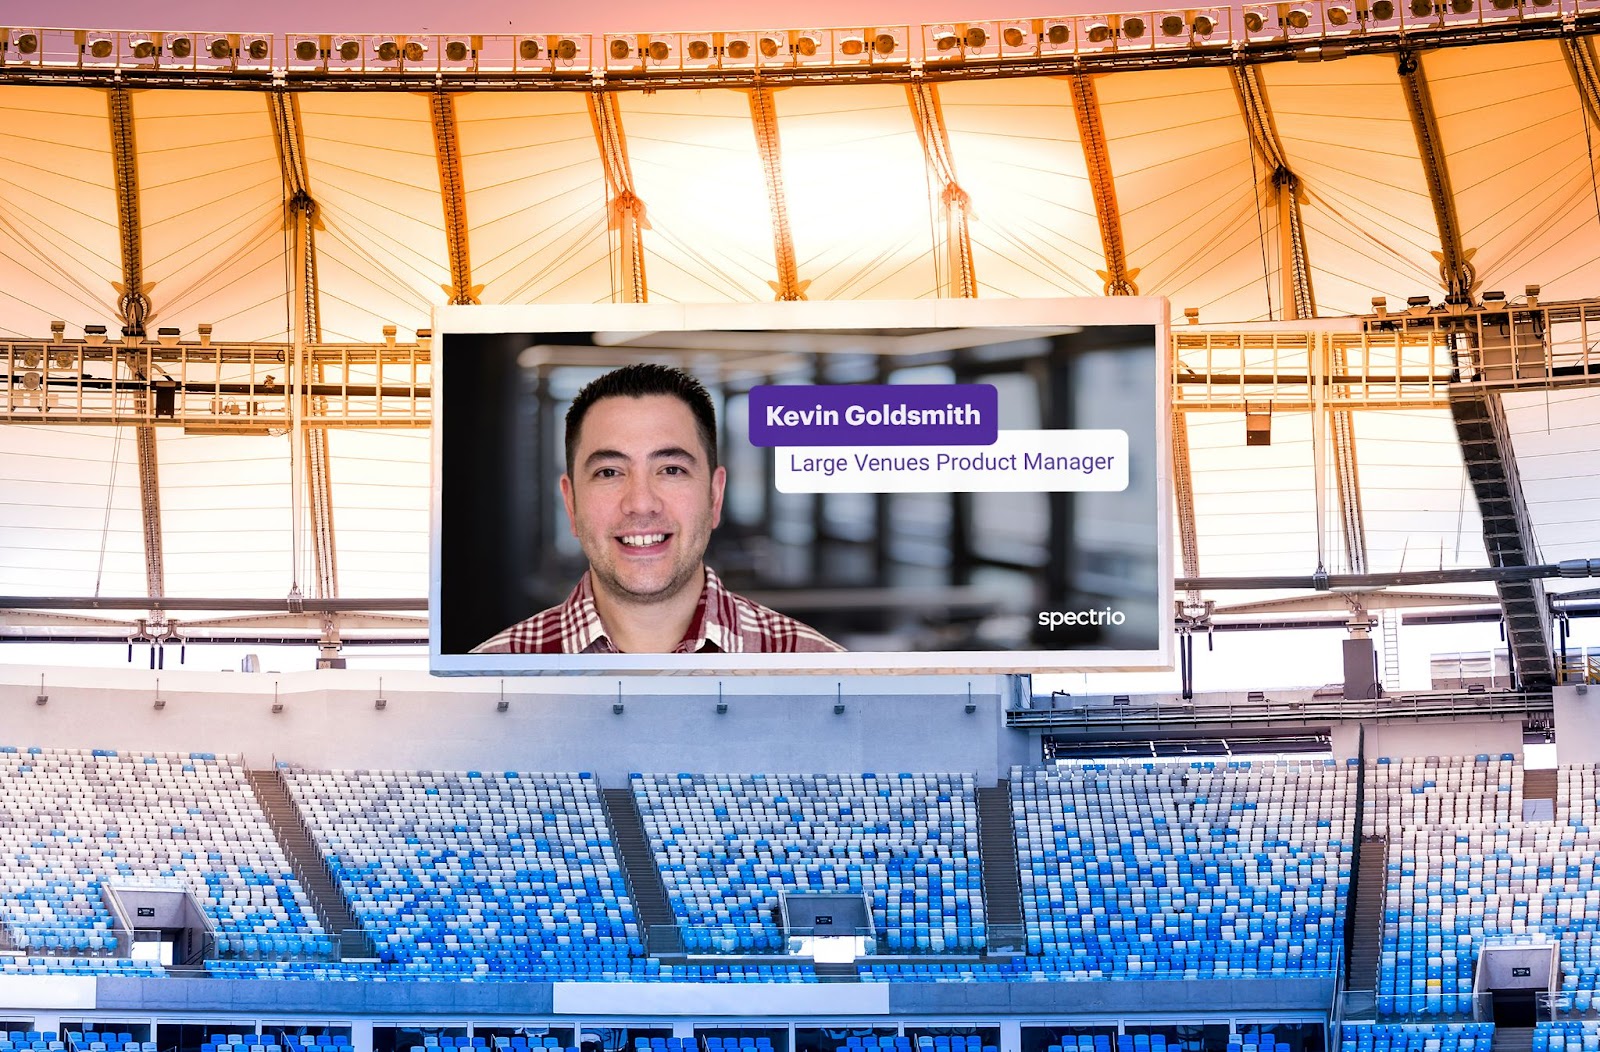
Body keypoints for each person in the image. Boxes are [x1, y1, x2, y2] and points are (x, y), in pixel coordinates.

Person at [473, 363, 843, 655]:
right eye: (609, 472)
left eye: (671, 470)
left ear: (715, 497)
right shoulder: (487, 680)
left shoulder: (817, 670)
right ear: (570, 503)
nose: (641, 503)